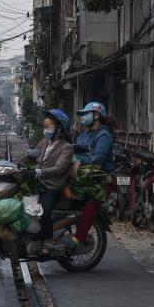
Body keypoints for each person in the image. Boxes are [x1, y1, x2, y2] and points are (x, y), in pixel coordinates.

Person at [63, 101, 116, 251]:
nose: (82, 118)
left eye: (85, 114)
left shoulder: (104, 135)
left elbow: (98, 158)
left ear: (96, 115)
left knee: (91, 204)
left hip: (102, 179)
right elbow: (77, 149)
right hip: (84, 178)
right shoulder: (84, 134)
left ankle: (78, 238)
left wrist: (78, 160)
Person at [22, 109, 73, 247]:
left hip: (52, 187)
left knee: (42, 211)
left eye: (48, 127)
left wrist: (38, 172)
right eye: (44, 127)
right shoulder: (43, 143)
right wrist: (22, 162)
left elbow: (60, 168)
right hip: (37, 184)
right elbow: (31, 157)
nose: (45, 130)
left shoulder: (66, 147)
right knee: (21, 204)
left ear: (59, 128)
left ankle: (48, 239)